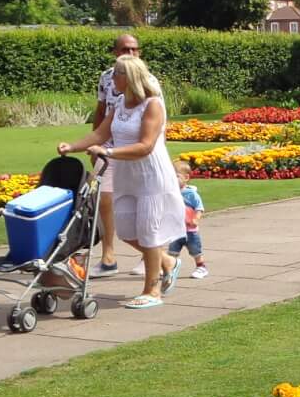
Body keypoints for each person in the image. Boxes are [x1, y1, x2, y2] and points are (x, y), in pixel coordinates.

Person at [58, 53, 182, 308]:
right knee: (126, 230)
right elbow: (99, 133)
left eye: (117, 73)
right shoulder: (120, 105)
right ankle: (167, 262)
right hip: (128, 174)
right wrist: (72, 147)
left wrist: (109, 152)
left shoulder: (153, 105)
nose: (112, 77)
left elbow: (146, 146)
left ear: (130, 77)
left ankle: (152, 291)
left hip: (151, 176)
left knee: (149, 233)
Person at [88, 30, 142, 275]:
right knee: (104, 197)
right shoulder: (106, 78)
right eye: (124, 49)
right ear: (115, 52)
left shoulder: (146, 79)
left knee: (141, 201)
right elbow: (101, 111)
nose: (130, 53)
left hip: (135, 147)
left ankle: (150, 255)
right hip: (108, 147)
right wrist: (93, 144)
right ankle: (108, 256)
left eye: (133, 49)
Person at [166, 159, 207, 280]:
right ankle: (170, 268)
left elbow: (199, 208)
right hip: (175, 229)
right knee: (173, 251)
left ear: (186, 177)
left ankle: (201, 267)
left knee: (195, 250)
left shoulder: (191, 194)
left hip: (190, 230)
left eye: (176, 176)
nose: (173, 179)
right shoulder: (171, 192)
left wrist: (196, 218)